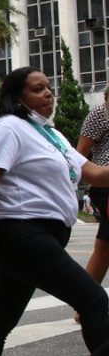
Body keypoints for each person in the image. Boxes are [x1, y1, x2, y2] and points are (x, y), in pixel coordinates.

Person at [0, 67, 109, 355]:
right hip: (23, 233)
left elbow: (94, 173)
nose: (48, 93)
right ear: (15, 97)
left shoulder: (51, 134)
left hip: (41, 236)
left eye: (48, 87)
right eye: (37, 89)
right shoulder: (7, 128)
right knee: (94, 300)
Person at [78, 86, 109, 300]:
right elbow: (80, 153)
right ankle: (85, 302)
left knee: (105, 247)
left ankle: (85, 302)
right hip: (105, 186)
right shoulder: (99, 114)